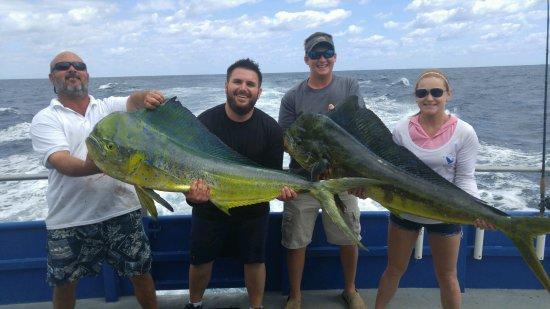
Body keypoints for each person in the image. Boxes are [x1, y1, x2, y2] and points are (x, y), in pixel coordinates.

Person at [30, 51, 164, 309]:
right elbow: (61, 161)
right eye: (63, 66)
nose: (72, 69)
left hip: (122, 210)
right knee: (65, 284)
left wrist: (145, 96)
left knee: (141, 274)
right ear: (51, 77)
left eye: (78, 66)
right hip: (70, 218)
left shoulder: (105, 107)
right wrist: (101, 165)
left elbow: (133, 102)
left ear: (87, 74)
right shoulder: (45, 118)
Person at [374, 69, 495, 309]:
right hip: (405, 211)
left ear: (448, 95)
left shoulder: (464, 132)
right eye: (422, 92)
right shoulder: (400, 130)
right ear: (416, 96)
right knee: (394, 269)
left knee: (448, 276)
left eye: (436, 92)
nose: (429, 98)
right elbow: (388, 174)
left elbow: (465, 178)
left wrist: (477, 209)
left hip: (446, 213)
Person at [183, 58, 297, 309]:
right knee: (200, 260)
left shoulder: (271, 129)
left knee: (255, 260)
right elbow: (187, 175)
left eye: (250, 84)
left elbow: (273, 176)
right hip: (209, 207)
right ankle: (194, 304)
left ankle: (256, 306)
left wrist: (282, 193)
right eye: (237, 82)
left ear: (259, 91)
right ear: (226, 86)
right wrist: (192, 196)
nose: (243, 88)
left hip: (252, 209)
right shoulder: (204, 123)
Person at [278, 32, 367, 309]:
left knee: (349, 236)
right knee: (296, 240)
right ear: (306, 59)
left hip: (341, 179)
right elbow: (286, 140)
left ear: (335, 56)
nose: (322, 58)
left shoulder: (349, 86)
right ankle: (295, 295)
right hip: (303, 179)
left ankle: (350, 290)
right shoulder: (292, 97)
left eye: (327, 52)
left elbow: (360, 130)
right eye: (315, 54)